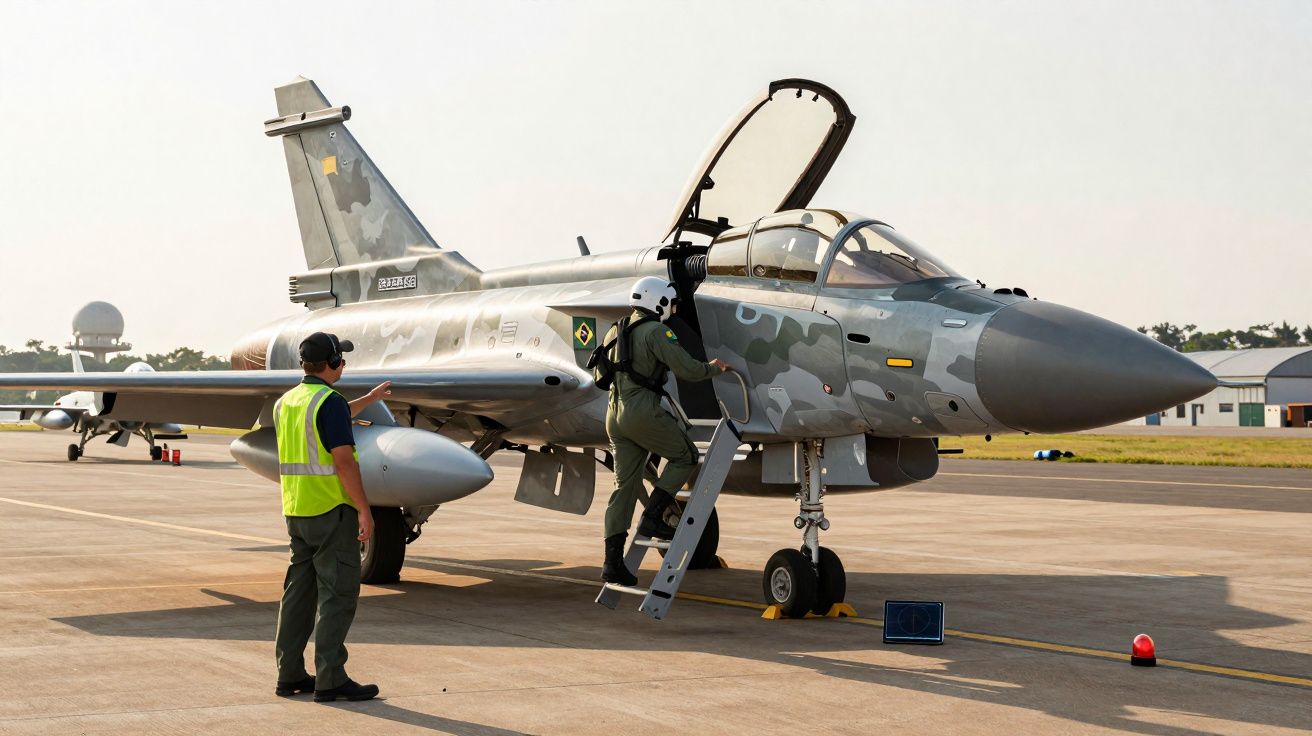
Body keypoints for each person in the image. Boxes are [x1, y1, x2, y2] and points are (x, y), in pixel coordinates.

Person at [273, 331, 392, 703]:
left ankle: (290, 674)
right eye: (341, 359)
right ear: (334, 363)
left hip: (297, 510)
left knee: (298, 595)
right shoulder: (329, 402)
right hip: (331, 511)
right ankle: (331, 678)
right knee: (337, 596)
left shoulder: (288, 402)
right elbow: (343, 461)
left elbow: (327, 417)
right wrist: (364, 509)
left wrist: (369, 400)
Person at [591, 276, 729, 586]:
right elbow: (688, 370)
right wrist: (715, 367)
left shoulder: (618, 327)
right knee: (686, 456)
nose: (675, 308)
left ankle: (612, 563)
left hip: (614, 415)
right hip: (642, 412)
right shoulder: (658, 332)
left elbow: (601, 372)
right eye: (672, 302)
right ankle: (654, 517)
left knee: (623, 488)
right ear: (659, 302)